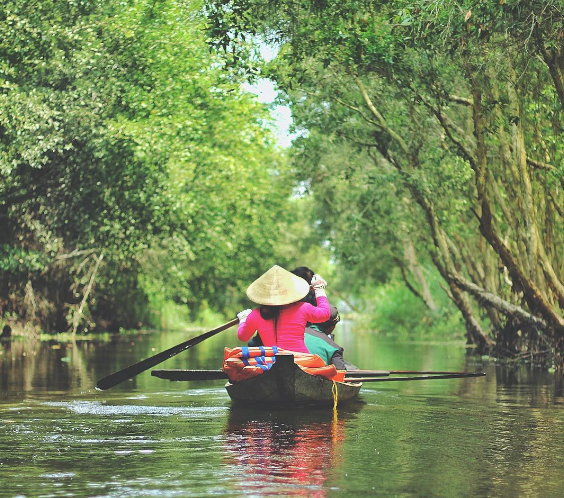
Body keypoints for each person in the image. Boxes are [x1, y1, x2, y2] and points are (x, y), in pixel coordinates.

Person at [237, 265, 330, 353]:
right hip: (301, 361)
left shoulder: (255, 314)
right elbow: (325, 314)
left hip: (272, 363)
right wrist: (319, 288)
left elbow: (243, 336)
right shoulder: (303, 307)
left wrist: (243, 319)